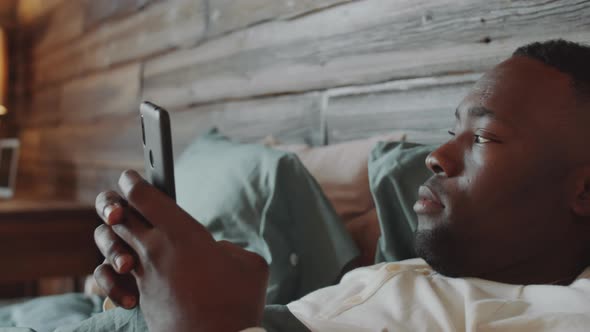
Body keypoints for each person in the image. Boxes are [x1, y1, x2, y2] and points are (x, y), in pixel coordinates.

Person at [90, 39, 590, 331]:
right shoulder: (463, 264)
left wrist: (202, 322)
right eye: (450, 132)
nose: (436, 158)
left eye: (482, 136)